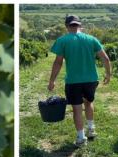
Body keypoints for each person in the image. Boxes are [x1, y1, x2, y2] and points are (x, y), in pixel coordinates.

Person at [47, 15, 111, 147]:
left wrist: (52, 80)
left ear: (66, 26)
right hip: (91, 79)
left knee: (77, 109)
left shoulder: (62, 40)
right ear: (79, 25)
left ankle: (81, 138)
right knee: (88, 102)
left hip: (73, 81)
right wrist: (108, 74)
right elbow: (105, 58)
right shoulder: (91, 39)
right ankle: (91, 129)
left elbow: (58, 62)